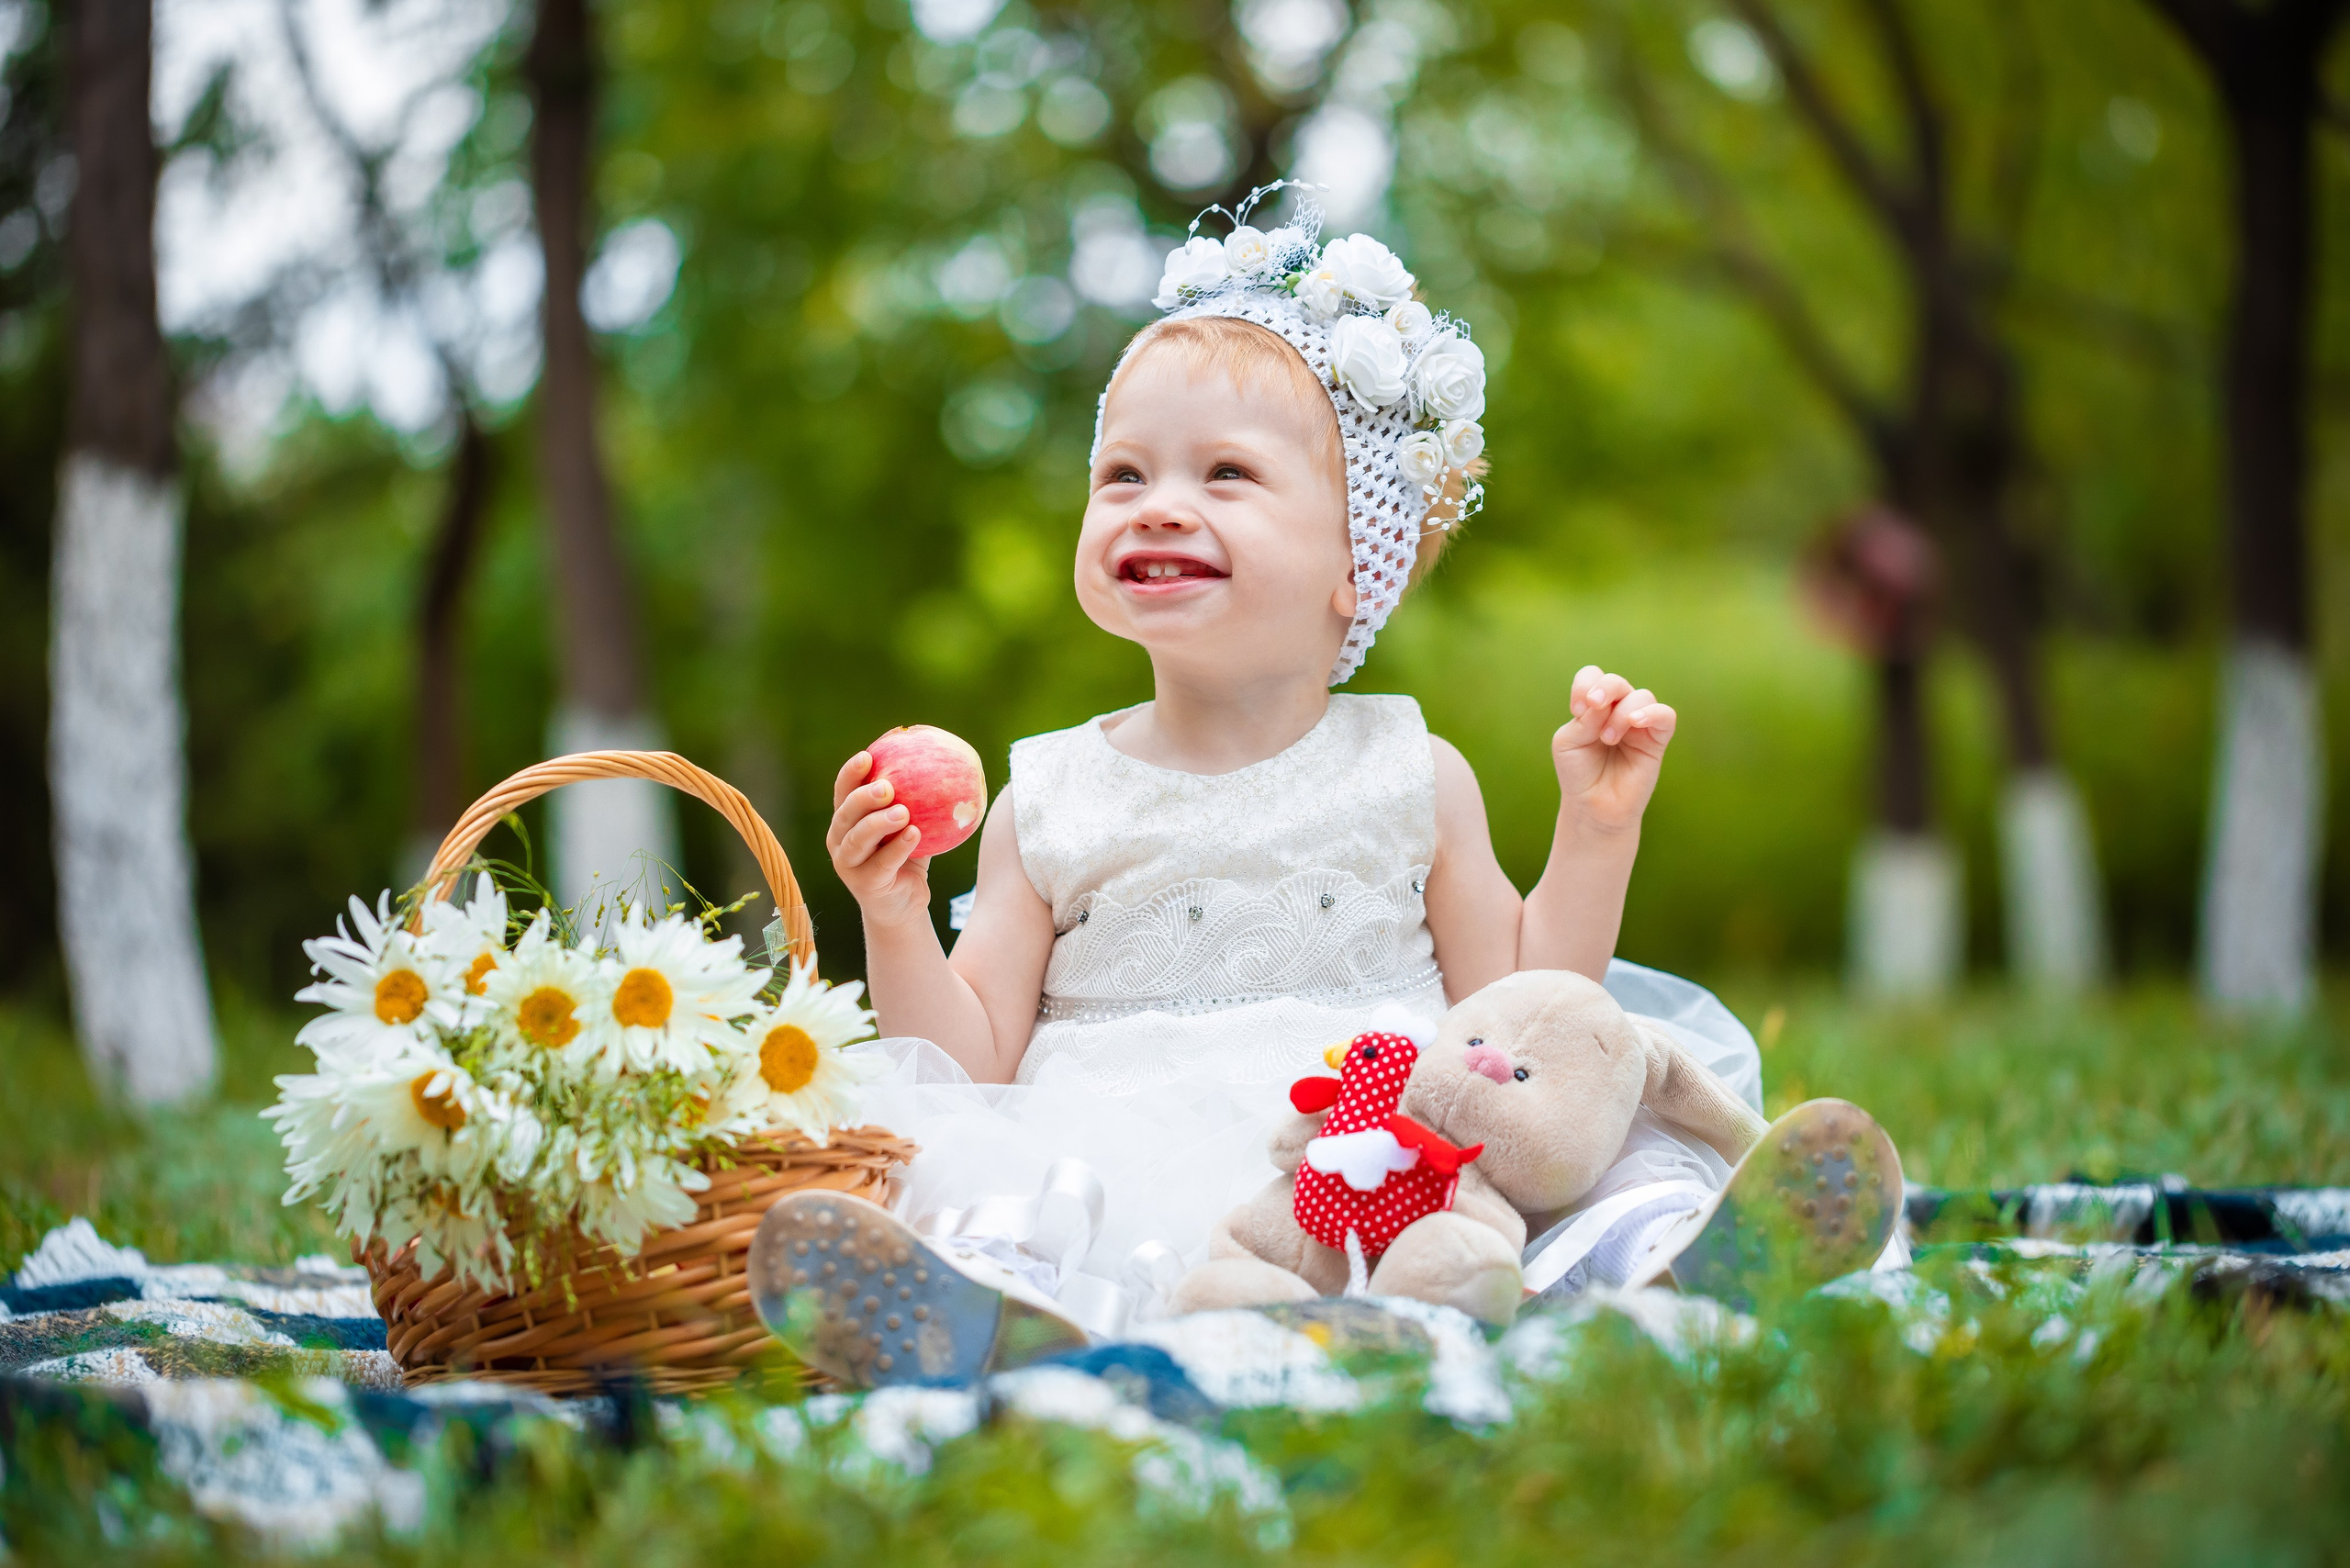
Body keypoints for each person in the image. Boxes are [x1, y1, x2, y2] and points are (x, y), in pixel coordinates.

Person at [751, 194, 1898, 1388]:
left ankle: (1652, 1260)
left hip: (1394, 1145)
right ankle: (1012, 1316)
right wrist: (891, 912)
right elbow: (972, 1068)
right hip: (1115, 1145)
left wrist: (1597, 829)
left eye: (1226, 472)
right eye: (1123, 473)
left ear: (1361, 563)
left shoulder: (1411, 771)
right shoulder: (1051, 792)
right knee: (1028, 1208)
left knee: (1579, 1153)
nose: (1157, 501)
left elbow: (1520, 1006)